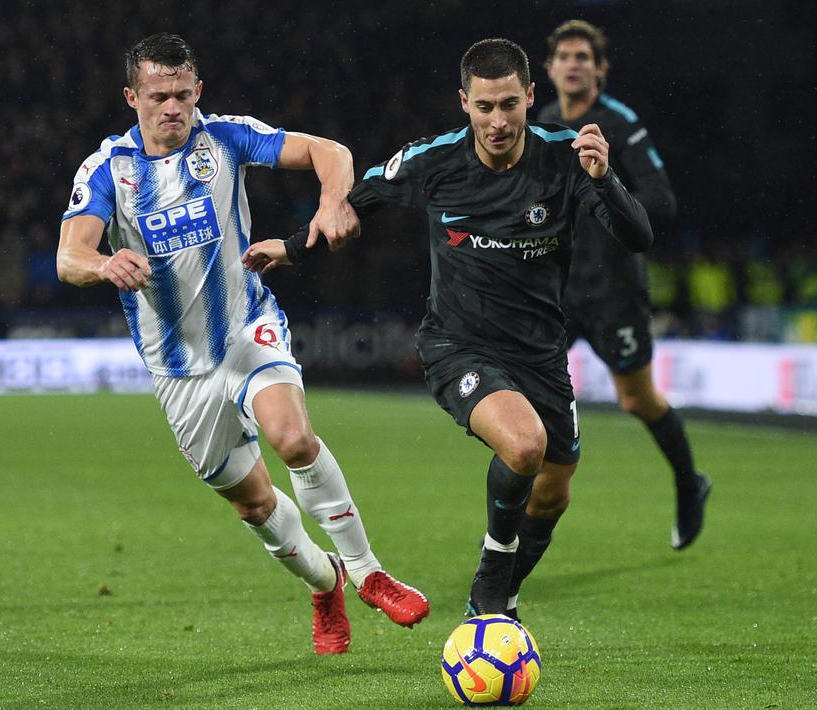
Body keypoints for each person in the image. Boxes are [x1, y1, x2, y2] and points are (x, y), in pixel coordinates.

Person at [244, 38, 653, 619]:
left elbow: (639, 238)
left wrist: (607, 178)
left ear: (531, 98)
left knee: (555, 489)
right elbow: (350, 209)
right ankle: (490, 587)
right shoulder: (432, 161)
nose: (498, 121)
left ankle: (503, 595)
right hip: (458, 346)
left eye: (510, 104)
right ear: (464, 102)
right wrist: (290, 247)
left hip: (540, 353)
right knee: (525, 444)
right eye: (484, 106)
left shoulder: (566, 154)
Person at [56, 33, 429, 653]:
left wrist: (332, 202)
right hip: (179, 370)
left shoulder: (224, 136)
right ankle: (325, 582)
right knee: (255, 506)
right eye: (158, 97)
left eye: (182, 94)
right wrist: (102, 265)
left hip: (246, 328)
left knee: (292, 437)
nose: (172, 107)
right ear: (132, 98)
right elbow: (70, 254)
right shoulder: (107, 171)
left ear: (198, 91)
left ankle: (367, 571)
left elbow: (329, 151)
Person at [537, 19, 711, 550]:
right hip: (558, 288)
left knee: (636, 400)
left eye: (583, 56)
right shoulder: (543, 122)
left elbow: (661, 201)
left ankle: (689, 482)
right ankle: (523, 517)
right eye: (564, 55)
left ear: (599, 69)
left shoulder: (619, 123)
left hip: (614, 288)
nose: (573, 63)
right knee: (526, 395)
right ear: (549, 69)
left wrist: (604, 182)